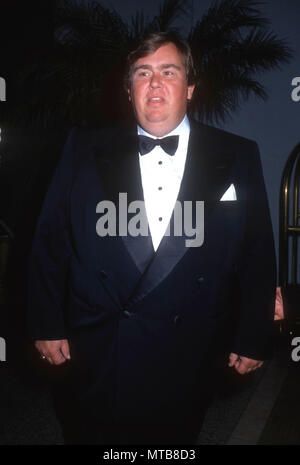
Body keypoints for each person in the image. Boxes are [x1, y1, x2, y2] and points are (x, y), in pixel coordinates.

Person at [28, 31, 276, 444]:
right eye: (143, 73)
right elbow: (50, 240)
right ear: (129, 91)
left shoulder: (237, 153)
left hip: (191, 344)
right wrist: (45, 321)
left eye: (169, 71)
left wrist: (252, 334)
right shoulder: (83, 148)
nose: (155, 83)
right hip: (102, 343)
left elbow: (256, 251)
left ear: (190, 87)